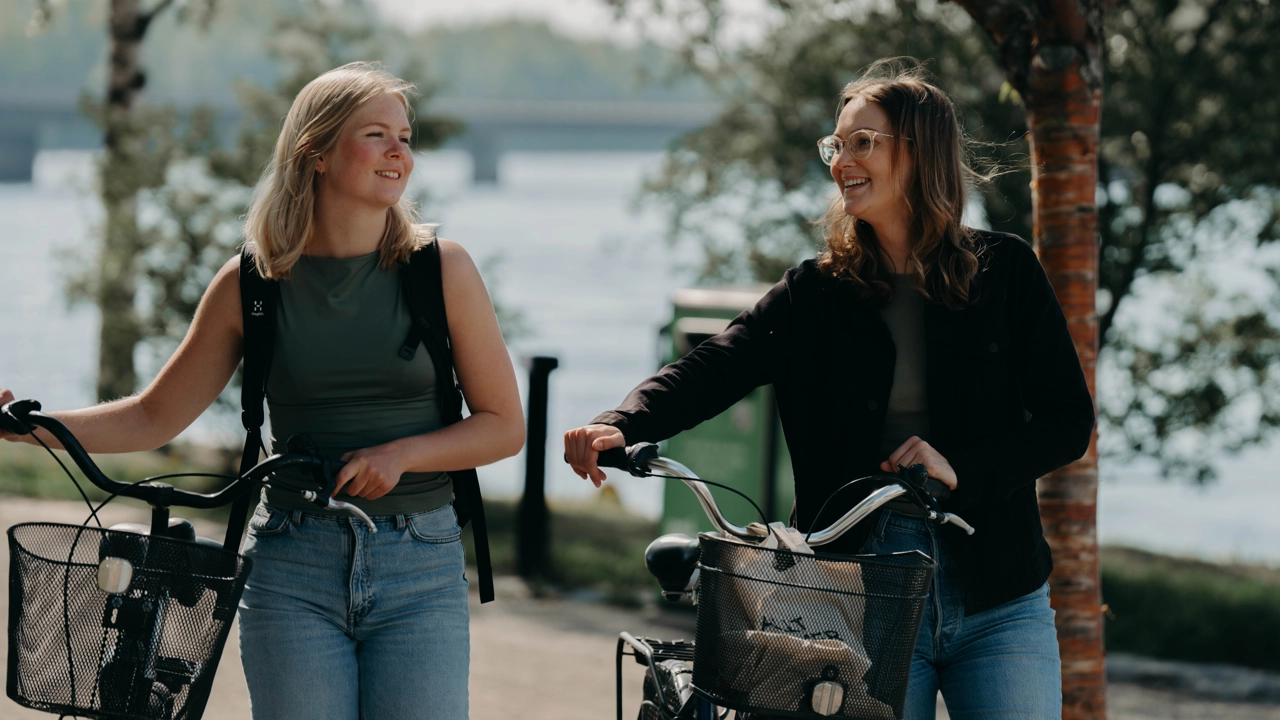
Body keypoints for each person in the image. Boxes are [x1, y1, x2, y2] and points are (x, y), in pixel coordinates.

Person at [564, 59, 1094, 719]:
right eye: (836, 145)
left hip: (1000, 598)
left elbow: (1068, 420)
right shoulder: (814, 293)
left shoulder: (1006, 272)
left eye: (862, 142)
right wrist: (623, 422)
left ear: (920, 152)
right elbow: (712, 366)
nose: (841, 159)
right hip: (856, 603)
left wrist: (962, 469)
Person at [1, 62, 525, 719]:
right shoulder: (250, 283)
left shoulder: (441, 270)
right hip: (291, 563)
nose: (401, 154)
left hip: (420, 564)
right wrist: (30, 426)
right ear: (317, 154)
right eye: (377, 135)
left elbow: (505, 425)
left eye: (406, 136)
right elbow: (154, 416)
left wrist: (402, 456)